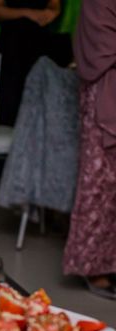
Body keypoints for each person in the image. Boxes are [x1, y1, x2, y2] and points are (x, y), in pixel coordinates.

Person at [62, 0, 116, 299]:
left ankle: (110, 264)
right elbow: (99, 51)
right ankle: (94, 268)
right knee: (99, 186)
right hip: (104, 98)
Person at [0, 0, 73, 126]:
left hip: (40, 45)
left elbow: (54, 6)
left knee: (42, 103)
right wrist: (26, 13)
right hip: (12, 47)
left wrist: (48, 13)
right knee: (9, 104)